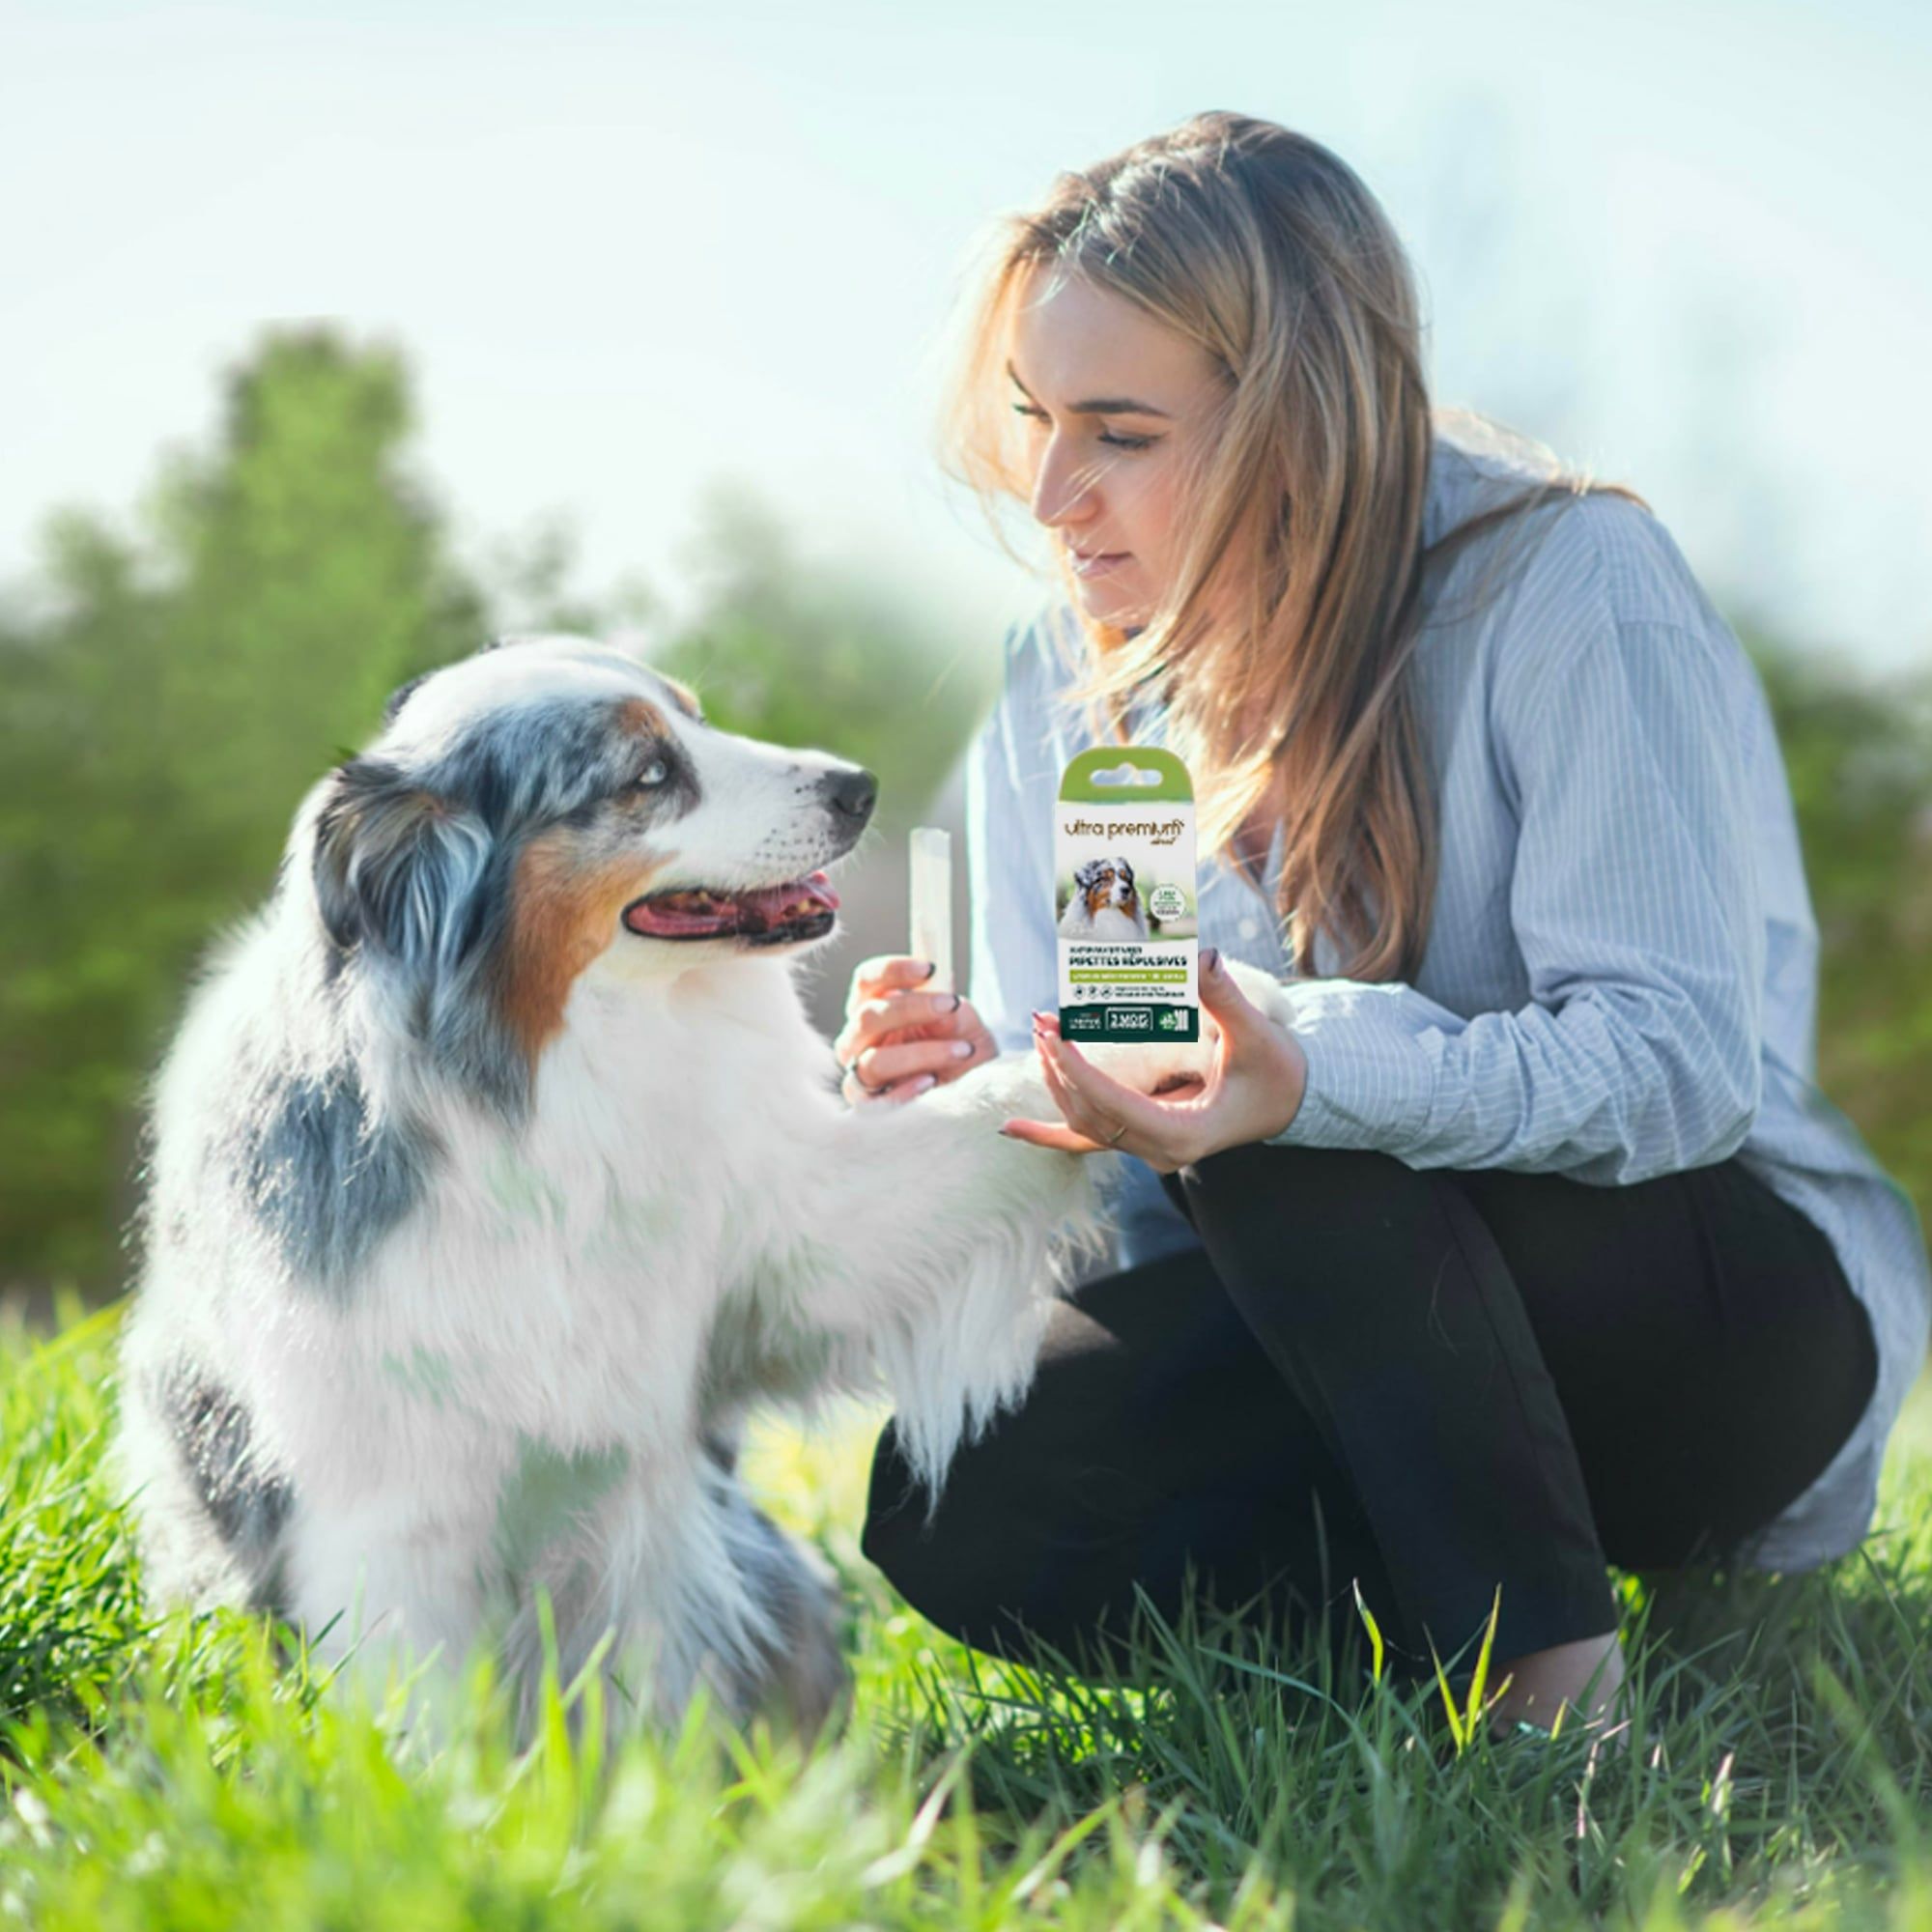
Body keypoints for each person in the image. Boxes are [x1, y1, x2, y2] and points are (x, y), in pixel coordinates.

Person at [832, 113, 1932, 1736]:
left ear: (1296, 421)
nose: (1054, 494)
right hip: (1345, 1335)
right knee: (957, 1494)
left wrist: (1309, 1077)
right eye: (1036, 420)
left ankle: (1549, 1694)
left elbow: (1682, 1068)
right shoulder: (1065, 677)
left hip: (1702, 1327)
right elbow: (1121, 1096)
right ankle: (1434, 1605)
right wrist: (974, 1089)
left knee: (1282, 1116)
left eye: (1119, 432)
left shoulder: (1569, 585)